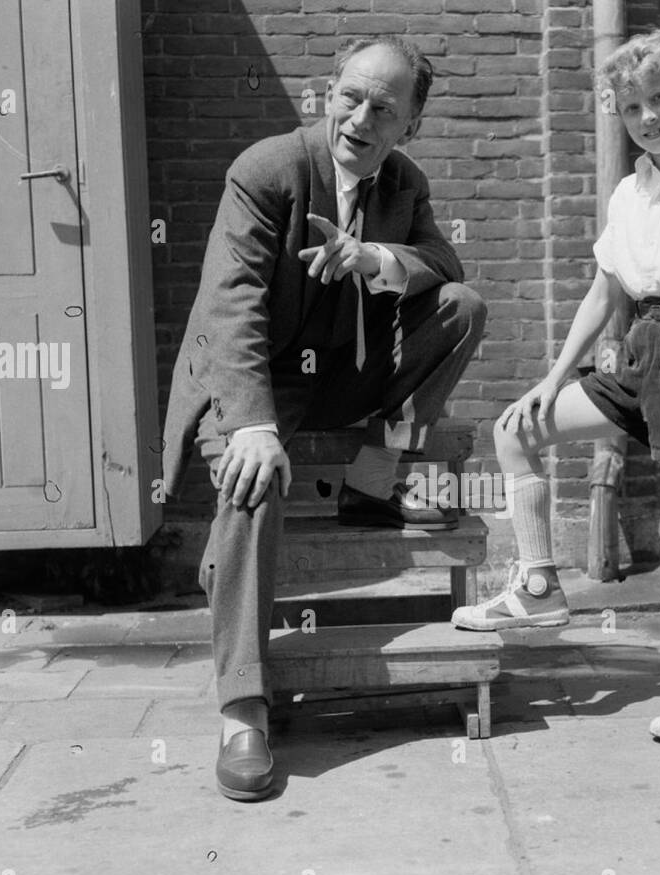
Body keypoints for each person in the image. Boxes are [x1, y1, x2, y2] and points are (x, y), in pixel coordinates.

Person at [161, 36, 486, 801]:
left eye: (384, 108)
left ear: (409, 125)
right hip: (252, 373)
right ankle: (244, 706)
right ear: (326, 91)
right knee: (254, 478)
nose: (360, 118)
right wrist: (250, 423)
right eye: (351, 96)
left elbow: (447, 267)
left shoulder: (404, 183)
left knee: (463, 312)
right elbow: (232, 300)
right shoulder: (267, 170)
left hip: (338, 374)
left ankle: (370, 483)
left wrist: (375, 258)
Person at [452, 29, 660, 744]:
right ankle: (538, 585)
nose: (648, 117)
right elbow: (604, 291)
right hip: (637, 354)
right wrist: (553, 378)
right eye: (631, 107)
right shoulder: (629, 191)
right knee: (516, 430)